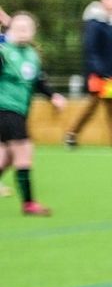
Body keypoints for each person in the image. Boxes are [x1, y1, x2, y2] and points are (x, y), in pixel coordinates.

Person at [0, 12, 67, 216]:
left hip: (19, 111)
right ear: (9, 30)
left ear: (33, 32)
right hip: (5, 109)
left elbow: (39, 81)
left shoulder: (32, 55)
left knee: (6, 156)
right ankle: (29, 204)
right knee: (24, 150)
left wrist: (53, 96)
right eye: (18, 28)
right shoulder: (3, 53)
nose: (22, 32)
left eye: (27, 28)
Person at [64, 0, 112, 149]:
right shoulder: (94, 24)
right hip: (98, 75)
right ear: (104, 3)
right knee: (93, 105)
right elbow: (90, 49)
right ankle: (71, 135)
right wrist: (99, 71)